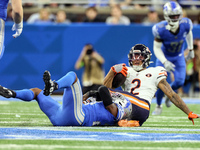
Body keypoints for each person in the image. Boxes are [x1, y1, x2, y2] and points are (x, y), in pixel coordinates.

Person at [103, 44, 199, 125]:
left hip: (141, 105)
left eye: (140, 56)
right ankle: (127, 123)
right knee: (101, 101)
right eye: (134, 56)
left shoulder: (155, 72)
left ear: (146, 58)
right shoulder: (127, 70)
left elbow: (172, 95)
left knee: (103, 93)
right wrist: (112, 71)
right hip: (125, 107)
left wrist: (189, 112)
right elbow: (105, 90)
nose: (136, 59)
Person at [0, 70, 133, 127]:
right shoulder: (107, 109)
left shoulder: (117, 111)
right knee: (37, 92)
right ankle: (12, 93)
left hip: (78, 117)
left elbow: (103, 91)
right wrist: (91, 94)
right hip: (61, 116)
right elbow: (97, 97)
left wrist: (100, 92)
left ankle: (54, 85)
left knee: (73, 76)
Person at [151, 1, 194, 115]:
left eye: (177, 16)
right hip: (163, 57)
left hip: (178, 56)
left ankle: (169, 95)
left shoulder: (186, 24)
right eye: (172, 16)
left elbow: (189, 33)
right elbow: (156, 48)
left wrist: (190, 49)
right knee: (161, 83)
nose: (175, 18)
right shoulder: (160, 29)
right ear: (166, 16)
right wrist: (165, 62)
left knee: (180, 81)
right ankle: (159, 106)